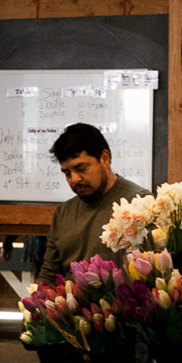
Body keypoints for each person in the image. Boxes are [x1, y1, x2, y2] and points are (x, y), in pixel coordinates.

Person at [35, 122, 145, 285]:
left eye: (81, 168)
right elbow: (49, 275)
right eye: (67, 173)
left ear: (105, 159)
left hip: (123, 307)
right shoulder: (63, 214)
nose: (74, 179)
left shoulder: (139, 203)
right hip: (72, 307)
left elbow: (148, 273)